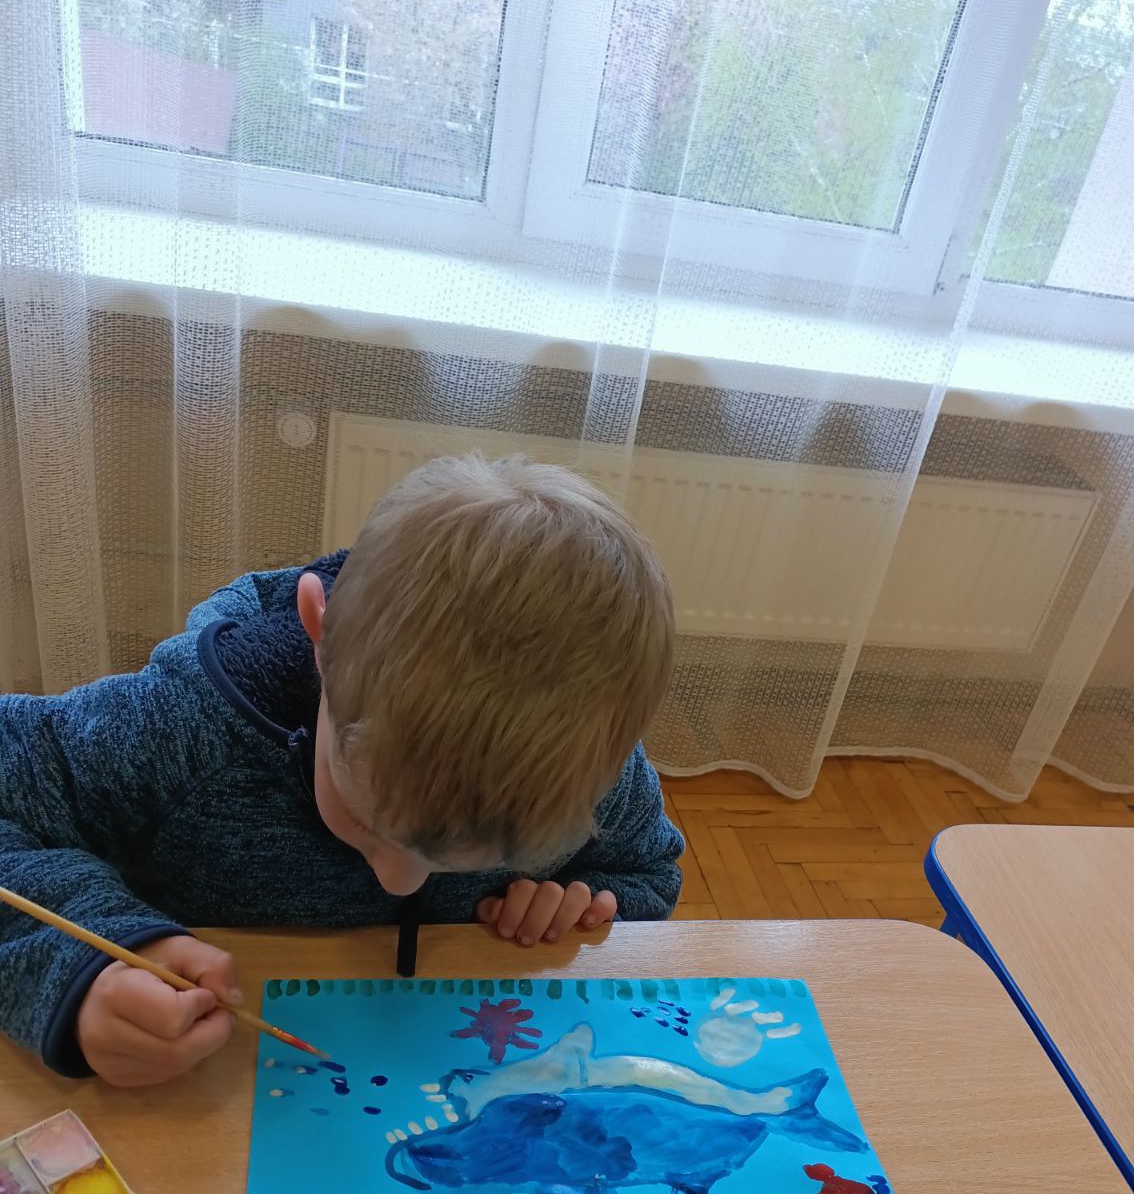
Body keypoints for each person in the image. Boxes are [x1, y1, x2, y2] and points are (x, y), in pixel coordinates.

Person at [0, 454, 682, 1087]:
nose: (398, 880)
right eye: (365, 821)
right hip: (200, 1089)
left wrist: (583, 899)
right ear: (318, 637)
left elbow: (645, 875)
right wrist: (85, 966)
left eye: (482, 857)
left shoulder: (585, 769)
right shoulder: (181, 730)